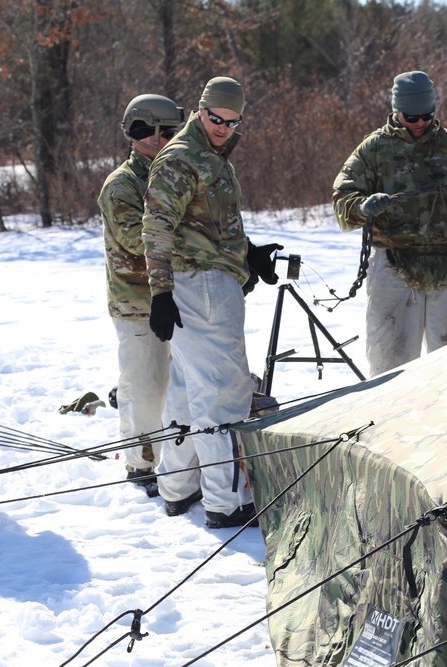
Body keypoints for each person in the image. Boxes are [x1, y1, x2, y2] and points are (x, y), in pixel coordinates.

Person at [141, 76, 281, 529]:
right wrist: (161, 292)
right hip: (199, 286)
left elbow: (210, 224)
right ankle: (227, 501)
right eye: (215, 118)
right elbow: (156, 227)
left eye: (232, 121)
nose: (223, 127)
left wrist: (248, 253)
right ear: (200, 110)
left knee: (188, 390)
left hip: (207, 279)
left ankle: (179, 487)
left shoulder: (211, 156)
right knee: (223, 393)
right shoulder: (182, 157)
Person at [333, 71, 447, 377]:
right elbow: (342, 199)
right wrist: (361, 206)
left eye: (427, 116)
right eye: (411, 117)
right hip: (394, 268)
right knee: (390, 366)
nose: (420, 123)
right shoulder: (374, 149)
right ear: (397, 111)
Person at [98, 94, 185, 498]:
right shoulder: (122, 185)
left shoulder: (174, 174)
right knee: (145, 387)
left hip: (176, 295)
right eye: (167, 133)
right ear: (144, 133)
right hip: (138, 303)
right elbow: (138, 241)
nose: (173, 139)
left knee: (173, 384)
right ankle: (141, 463)